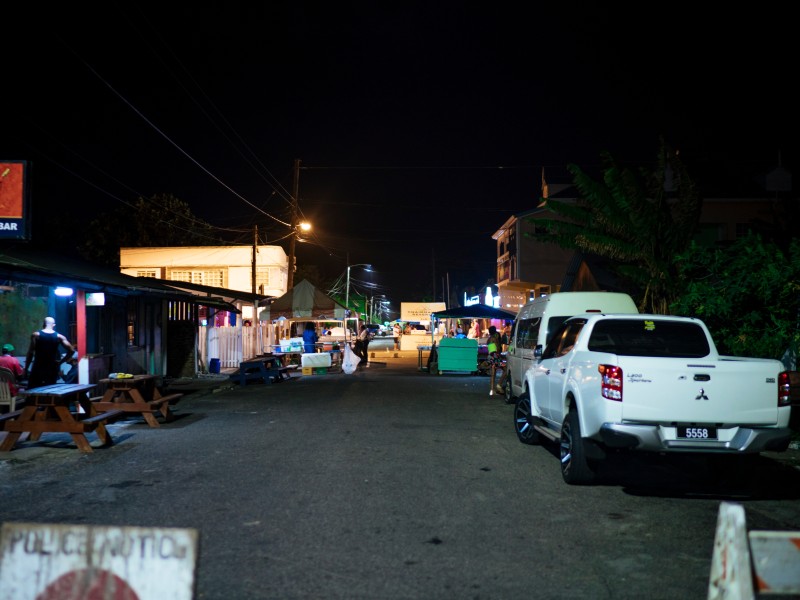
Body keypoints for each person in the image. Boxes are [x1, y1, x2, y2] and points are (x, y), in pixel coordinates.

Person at [24, 317, 75, 388]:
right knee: (50, 392)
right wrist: (60, 362)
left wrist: (26, 368)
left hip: (38, 367)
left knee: (33, 391)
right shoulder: (59, 337)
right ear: (54, 325)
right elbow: (71, 350)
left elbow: (30, 353)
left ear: (43, 324)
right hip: (52, 369)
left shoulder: (35, 335)